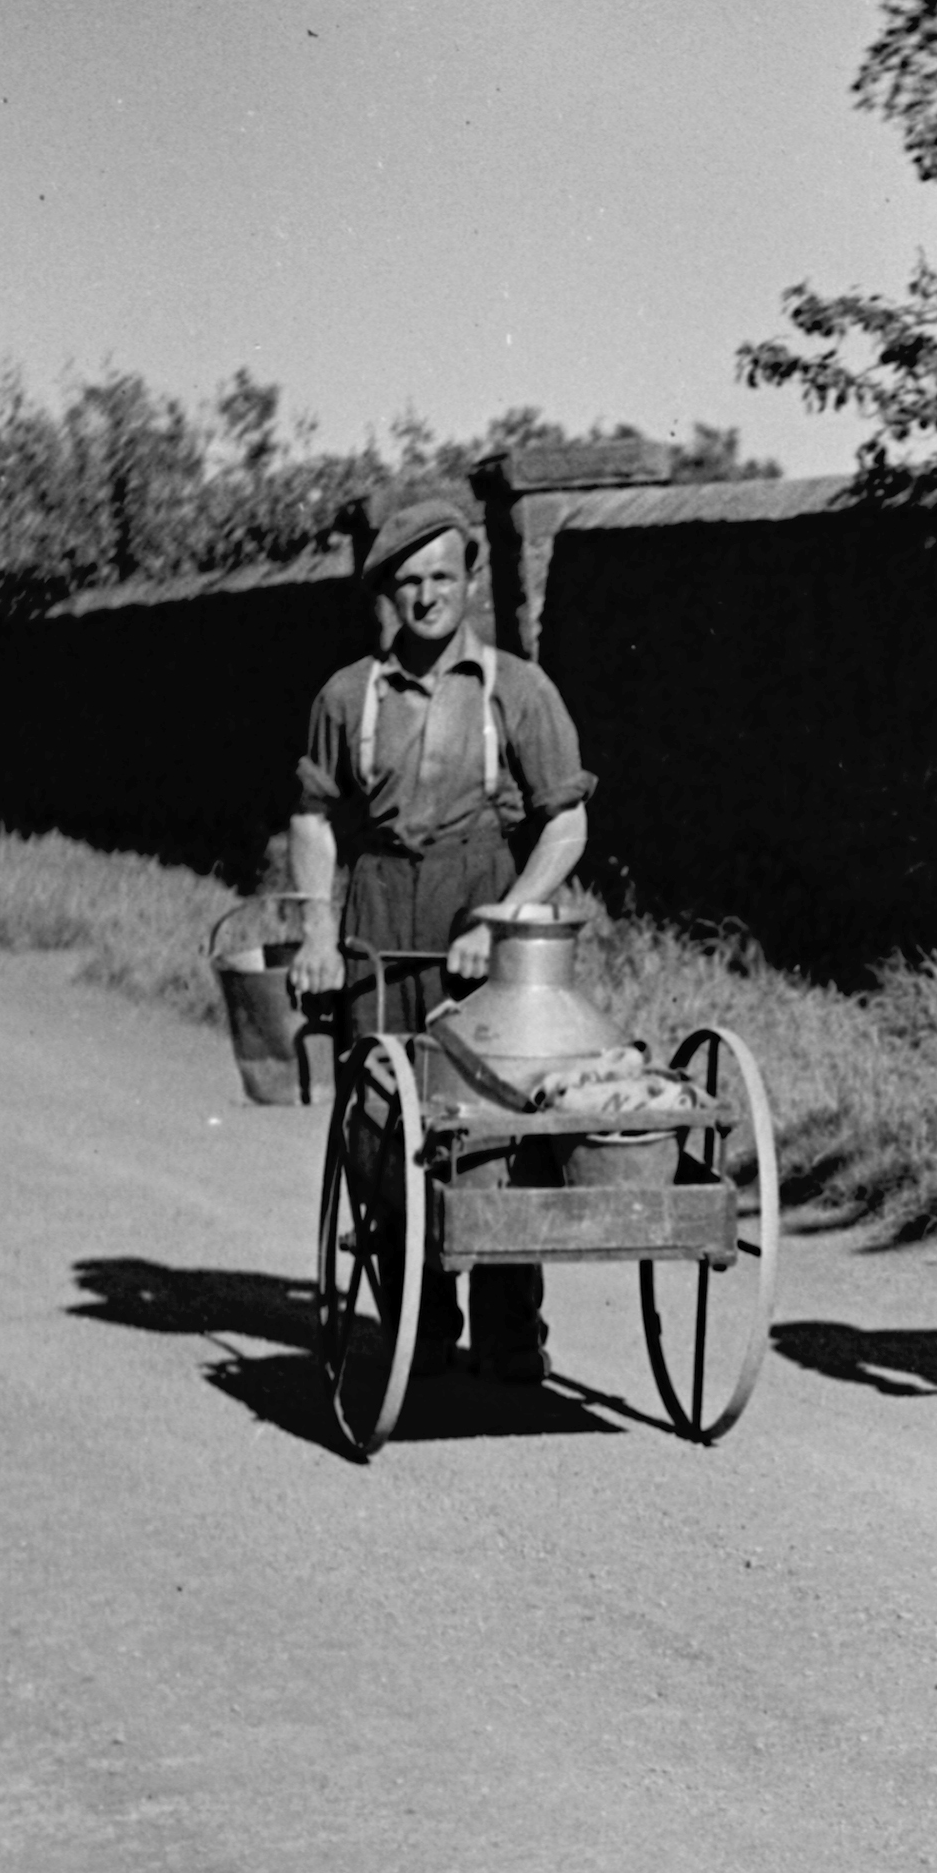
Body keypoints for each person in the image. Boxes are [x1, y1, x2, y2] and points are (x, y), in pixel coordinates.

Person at [286, 486, 594, 1383]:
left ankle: (509, 1333)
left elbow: (565, 826)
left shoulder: (520, 691)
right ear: (388, 590)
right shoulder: (349, 697)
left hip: (484, 912)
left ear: (471, 580)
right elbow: (314, 820)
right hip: (379, 916)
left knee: (494, 1129)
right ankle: (416, 1321)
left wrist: (506, 918)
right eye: (408, 580)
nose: (427, 596)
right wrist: (314, 931)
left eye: (443, 576)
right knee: (382, 1129)